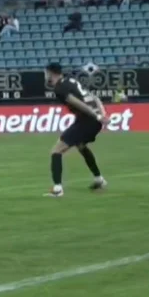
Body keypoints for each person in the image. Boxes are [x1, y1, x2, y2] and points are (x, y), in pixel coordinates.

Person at [45, 62, 108, 197]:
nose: (45, 76)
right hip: (90, 119)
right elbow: (95, 98)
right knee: (81, 146)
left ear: (51, 73)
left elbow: (77, 103)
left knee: (56, 151)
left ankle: (57, 189)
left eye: (46, 73)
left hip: (88, 120)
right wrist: (102, 114)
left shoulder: (59, 87)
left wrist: (97, 116)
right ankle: (99, 180)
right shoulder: (70, 80)